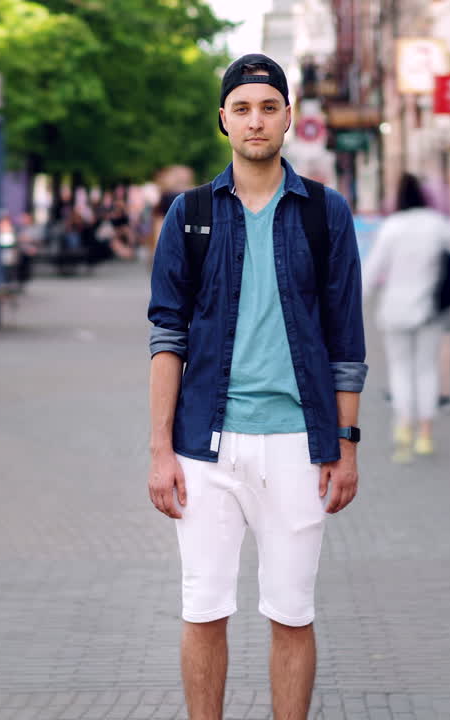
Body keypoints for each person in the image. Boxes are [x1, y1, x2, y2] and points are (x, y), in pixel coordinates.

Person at [147, 54, 366, 720]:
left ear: (289, 118)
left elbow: (346, 343)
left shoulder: (325, 215)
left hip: (300, 444)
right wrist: (159, 449)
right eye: (242, 108)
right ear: (223, 120)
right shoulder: (189, 216)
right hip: (202, 450)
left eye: (268, 107)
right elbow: (167, 338)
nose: (255, 120)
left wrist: (347, 445)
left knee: (291, 613)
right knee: (204, 608)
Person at [361, 173, 450, 463]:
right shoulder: (440, 226)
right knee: (426, 370)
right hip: (429, 309)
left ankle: (404, 427)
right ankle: (425, 433)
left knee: (400, 370)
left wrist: (353, 304)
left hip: (395, 309)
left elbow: (372, 268)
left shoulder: (392, 227)